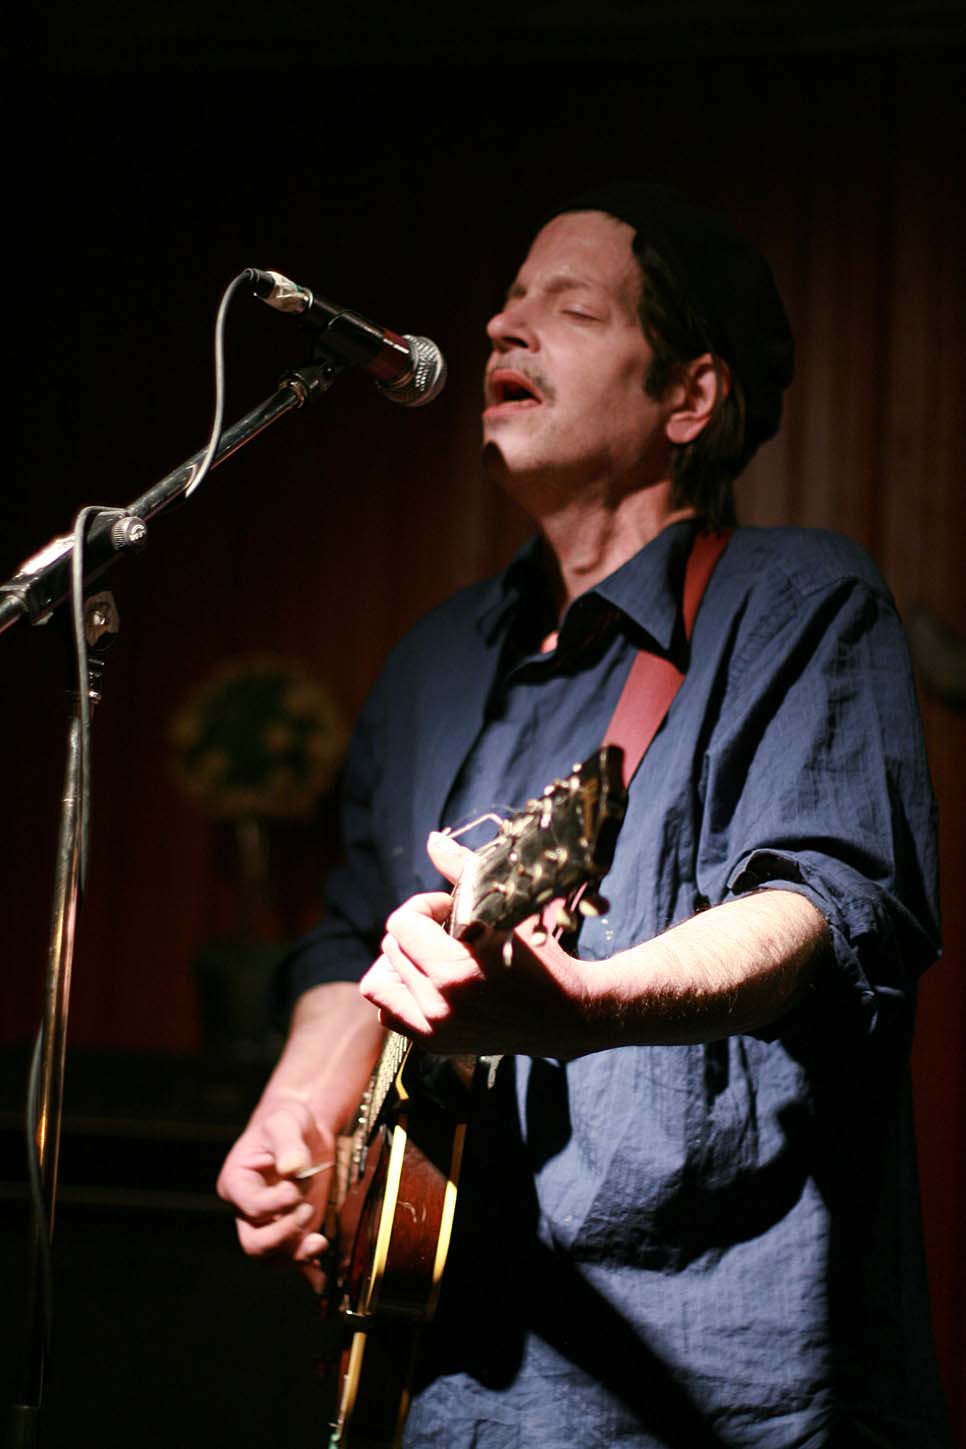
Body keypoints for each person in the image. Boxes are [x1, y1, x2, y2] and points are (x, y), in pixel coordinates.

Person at [217, 184, 951, 1446]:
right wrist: (299, 1110)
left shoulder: (799, 602)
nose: (504, 329)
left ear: (689, 398)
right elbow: (351, 941)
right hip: (443, 1384)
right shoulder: (435, 662)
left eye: (569, 307)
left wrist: (581, 1008)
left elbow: (826, 905)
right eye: (505, 303)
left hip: (716, 1379)